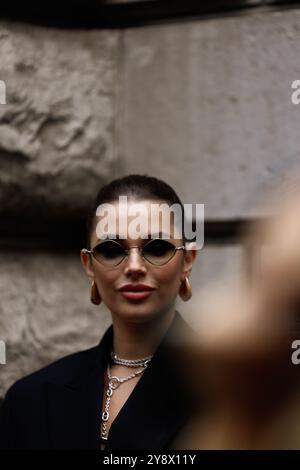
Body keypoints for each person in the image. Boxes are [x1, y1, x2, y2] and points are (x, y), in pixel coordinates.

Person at [0, 174, 198, 450]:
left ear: (187, 261)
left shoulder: (236, 392)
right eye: (110, 250)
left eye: (157, 248)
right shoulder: (31, 400)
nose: (134, 266)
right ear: (89, 265)